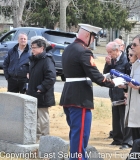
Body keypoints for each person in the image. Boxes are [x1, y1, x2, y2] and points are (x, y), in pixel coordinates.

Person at [60, 24, 125, 160]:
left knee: (75, 133)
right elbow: (96, 76)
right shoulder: (83, 51)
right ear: (88, 35)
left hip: (69, 95)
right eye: (93, 37)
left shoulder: (69, 48)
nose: (94, 40)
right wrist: (115, 83)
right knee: (80, 134)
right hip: (80, 98)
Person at [103, 41, 132, 149]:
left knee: (124, 117)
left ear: (117, 50)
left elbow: (129, 77)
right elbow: (106, 75)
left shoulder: (126, 60)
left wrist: (127, 91)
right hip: (114, 92)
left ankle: (127, 141)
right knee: (116, 117)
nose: (109, 54)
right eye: (108, 52)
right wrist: (108, 64)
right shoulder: (112, 60)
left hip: (123, 93)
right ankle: (117, 139)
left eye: (110, 52)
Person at [26, 36, 56, 140]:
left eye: (34, 47)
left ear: (42, 48)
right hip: (33, 93)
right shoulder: (34, 60)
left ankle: (45, 139)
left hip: (42, 94)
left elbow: (51, 77)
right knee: (35, 118)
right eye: (31, 47)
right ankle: (37, 138)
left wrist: (41, 88)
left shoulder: (47, 60)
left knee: (43, 118)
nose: (32, 50)